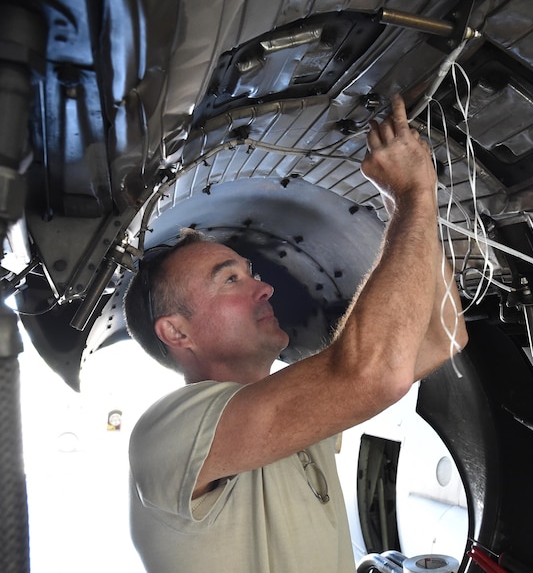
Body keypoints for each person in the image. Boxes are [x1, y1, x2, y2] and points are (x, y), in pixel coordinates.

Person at [122, 94, 468, 573]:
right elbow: (377, 374)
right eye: (230, 280)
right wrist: (414, 196)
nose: (263, 287)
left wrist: (403, 203)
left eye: (250, 272)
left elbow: (443, 334)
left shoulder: (293, 409)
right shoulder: (167, 435)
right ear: (176, 331)